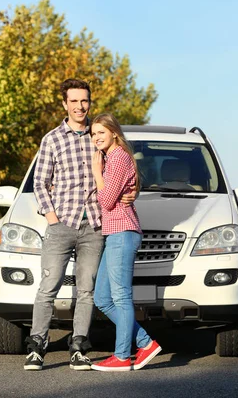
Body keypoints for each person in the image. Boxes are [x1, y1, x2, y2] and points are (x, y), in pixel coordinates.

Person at [25, 79, 136, 371]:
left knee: (86, 290)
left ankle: (78, 348)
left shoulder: (99, 135)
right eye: (73, 101)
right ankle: (37, 347)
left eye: (84, 101)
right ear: (65, 104)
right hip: (62, 224)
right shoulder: (52, 139)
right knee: (48, 287)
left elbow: (123, 166)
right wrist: (51, 217)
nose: (79, 106)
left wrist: (134, 190)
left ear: (89, 102)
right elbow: (40, 181)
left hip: (96, 226)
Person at [89, 113, 161, 372]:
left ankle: (121, 357)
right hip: (115, 233)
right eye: (93, 133)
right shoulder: (113, 157)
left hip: (122, 231)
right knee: (102, 298)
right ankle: (145, 342)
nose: (96, 137)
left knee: (120, 297)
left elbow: (107, 200)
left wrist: (98, 173)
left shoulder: (117, 157)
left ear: (114, 133)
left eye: (101, 132)